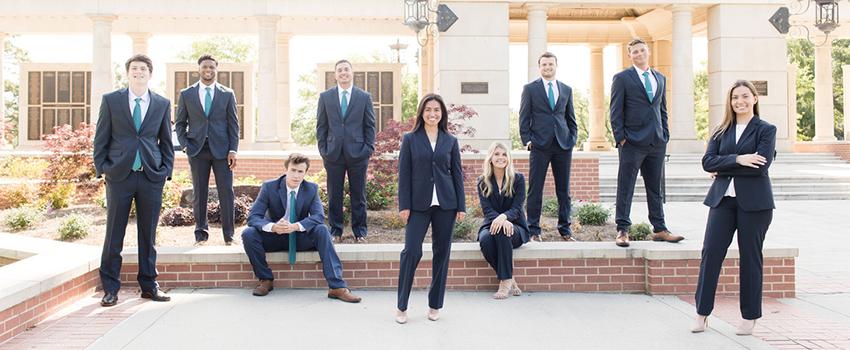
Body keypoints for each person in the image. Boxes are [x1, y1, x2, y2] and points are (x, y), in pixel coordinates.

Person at [693, 80, 776, 336]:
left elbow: (761, 166)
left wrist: (723, 167)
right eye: (734, 97)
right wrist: (739, 159)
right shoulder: (720, 130)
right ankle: (701, 313)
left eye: (744, 96)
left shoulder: (766, 129)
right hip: (723, 202)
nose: (739, 101)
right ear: (730, 102)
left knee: (750, 259)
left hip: (756, 204)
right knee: (710, 255)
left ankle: (749, 317)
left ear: (754, 99)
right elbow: (707, 162)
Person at [93, 54, 174, 307]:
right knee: (114, 234)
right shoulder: (111, 100)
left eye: (143, 69)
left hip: (151, 176)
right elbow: (101, 138)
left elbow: (166, 142)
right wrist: (103, 168)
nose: (138, 72)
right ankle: (110, 289)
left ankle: (149, 285)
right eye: (134, 68)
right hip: (119, 176)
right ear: (127, 73)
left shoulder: (161, 103)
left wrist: (165, 171)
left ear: (150, 74)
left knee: (148, 235)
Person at [241, 153, 362, 302]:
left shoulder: (311, 188)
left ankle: (336, 287)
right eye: (293, 170)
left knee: (322, 230)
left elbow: (318, 216)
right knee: (248, 234)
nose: (296, 175)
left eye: (300, 172)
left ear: (305, 173)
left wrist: (296, 226)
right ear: (286, 169)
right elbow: (253, 217)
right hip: (275, 237)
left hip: (300, 237)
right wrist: (272, 227)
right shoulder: (269, 187)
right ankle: (265, 279)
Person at [395, 93, 465, 324]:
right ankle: (402, 306)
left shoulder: (450, 141)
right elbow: (404, 174)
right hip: (417, 205)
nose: (432, 114)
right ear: (421, 113)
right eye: (428, 110)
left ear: (442, 113)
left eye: (437, 110)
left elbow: (457, 175)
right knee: (411, 251)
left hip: (446, 203)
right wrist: (404, 205)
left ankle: (435, 304)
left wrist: (461, 205)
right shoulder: (410, 139)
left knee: (442, 253)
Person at [609, 38, 684, 247]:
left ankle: (660, 228)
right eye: (635, 52)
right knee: (626, 186)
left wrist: (665, 134)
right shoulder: (622, 78)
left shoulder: (660, 77)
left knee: (655, 188)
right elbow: (615, 111)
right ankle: (622, 230)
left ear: (648, 52)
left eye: (642, 50)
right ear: (629, 55)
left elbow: (662, 109)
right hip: (632, 142)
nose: (639, 54)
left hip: (656, 142)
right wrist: (621, 138)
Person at [175, 54, 240, 246]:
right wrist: (185, 145)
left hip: (222, 151)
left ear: (216, 69)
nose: (208, 70)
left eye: (211, 67)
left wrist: (233, 150)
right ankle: (200, 235)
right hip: (197, 150)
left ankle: (229, 236)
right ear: (199, 69)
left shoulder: (227, 93)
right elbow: (180, 123)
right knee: (199, 192)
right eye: (204, 67)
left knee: (226, 192)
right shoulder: (187, 94)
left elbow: (233, 125)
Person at [519, 51, 578, 242]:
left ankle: (565, 229)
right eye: (544, 65)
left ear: (556, 66)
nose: (547, 67)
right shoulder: (530, 89)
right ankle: (534, 230)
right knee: (536, 189)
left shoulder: (566, 89)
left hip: (563, 145)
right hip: (539, 145)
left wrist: (572, 139)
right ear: (539, 67)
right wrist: (528, 141)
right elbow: (524, 117)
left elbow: (570, 119)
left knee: (564, 190)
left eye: (550, 64)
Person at [316, 59, 376, 243]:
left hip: (358, 154)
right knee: (335, 195)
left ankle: (360, 232)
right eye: (340, 70)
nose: (343, 73)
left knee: (359, 195)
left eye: (346, 69)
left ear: (352, 72)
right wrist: (324, 150)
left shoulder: (363, 97)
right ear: (335, 75)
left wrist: (368, 149)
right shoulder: (325, 97)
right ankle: (336, 231)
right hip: (333, 154)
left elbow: (370, 126)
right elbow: (321, 126)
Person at [476, 141, 529, 299]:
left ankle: (504, 281)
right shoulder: (483, 181)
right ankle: (509, 277)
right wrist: (499, 220)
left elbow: (517, 207)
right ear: (490, 158)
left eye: (504, 154)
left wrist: (504, 218)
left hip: (516, 227)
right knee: (485, 240)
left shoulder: (518, 179)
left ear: (509, 158)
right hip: (490, 225)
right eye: (497, 154)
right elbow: (486, 209)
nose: (501, 157)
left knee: (502, 231)